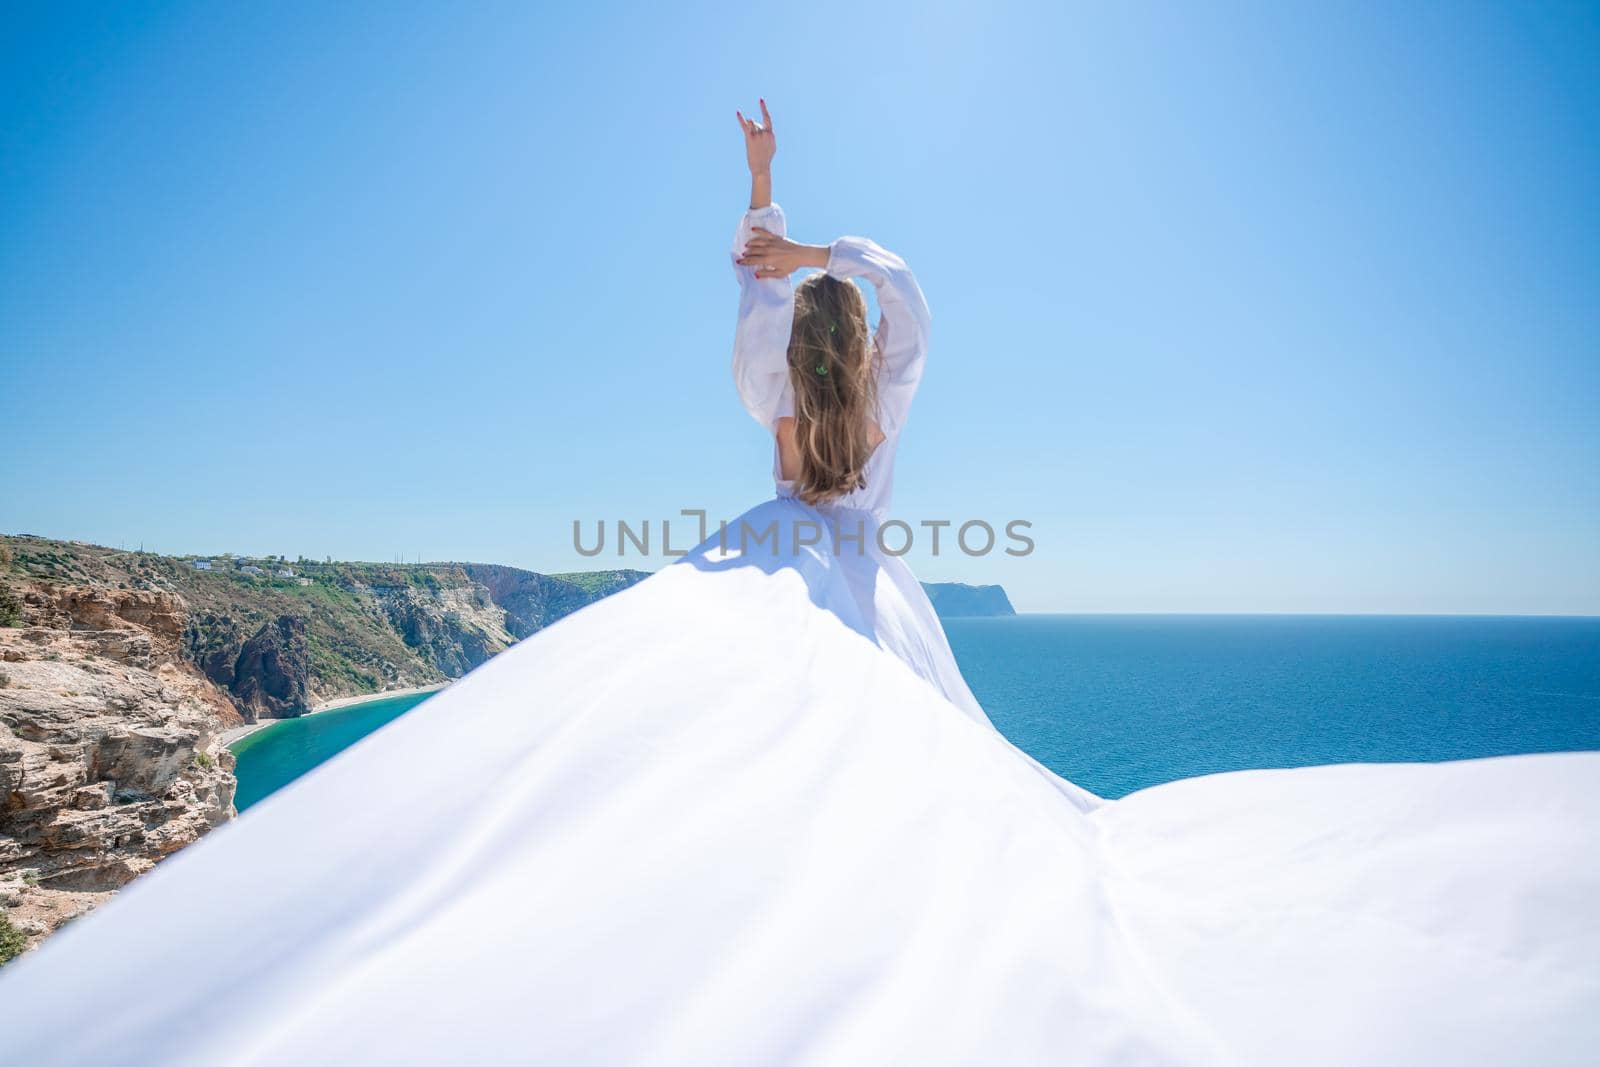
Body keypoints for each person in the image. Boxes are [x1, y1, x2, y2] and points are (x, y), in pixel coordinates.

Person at [0, 101, 1596, 1067]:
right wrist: (817, 236)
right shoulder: (887, 399)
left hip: (762, 557)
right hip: (859, 574)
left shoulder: (772, 390)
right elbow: (907, 291)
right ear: (871, 364)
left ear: (792, 360)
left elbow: (766, 297)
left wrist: (760, 196)